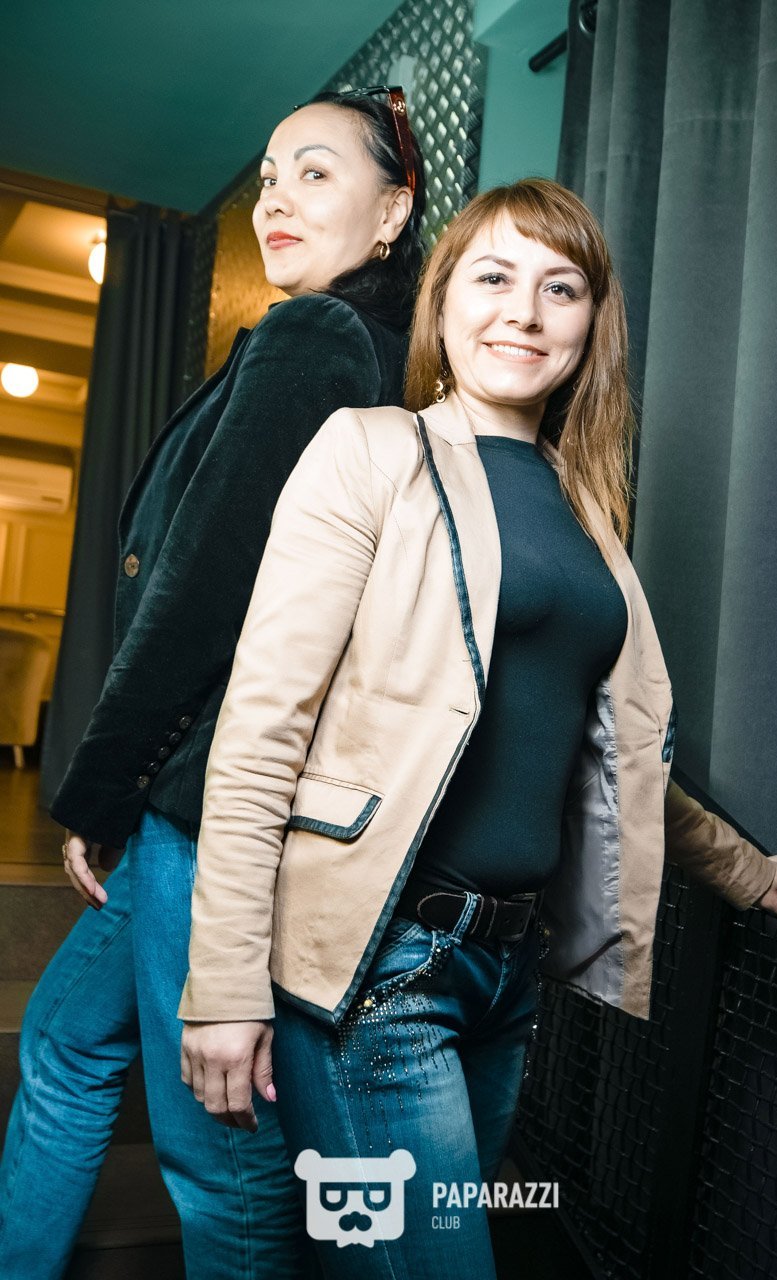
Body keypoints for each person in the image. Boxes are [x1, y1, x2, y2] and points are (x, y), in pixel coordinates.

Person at [178, 178, 777, 1280]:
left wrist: (747, 868)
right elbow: (260, 733)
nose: (523, 312)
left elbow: (605, 758)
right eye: (492, 277)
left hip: (506, 974)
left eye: (560, 288)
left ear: (590, 327)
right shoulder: (371, 451)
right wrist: (222, 985)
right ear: (444, 301)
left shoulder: (583, 508)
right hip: (379, 967)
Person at [0, 88, 426, 1280]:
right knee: (67, 1041)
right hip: (197, 792)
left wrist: (103, 785)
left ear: (393, 213)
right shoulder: (367, 353)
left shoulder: (317, 338)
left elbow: (202, 592)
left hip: (204, 803)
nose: (276, 199)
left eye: (316, 173)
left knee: (222, 1162)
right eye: (269, 177)